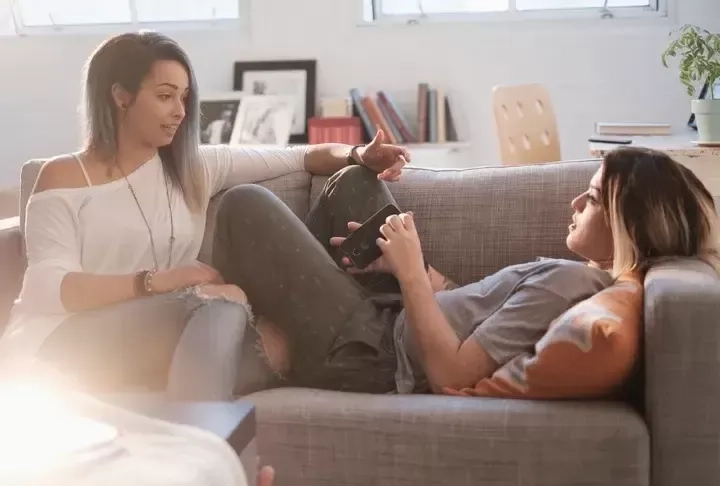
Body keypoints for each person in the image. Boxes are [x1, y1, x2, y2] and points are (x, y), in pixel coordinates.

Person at [0, 31, 409, 398]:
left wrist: (358, 153)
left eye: (183, 97)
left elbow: (301, 156)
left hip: (182, 326)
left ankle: (386, 343)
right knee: (222, 306)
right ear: (120, 95)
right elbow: (46, 289)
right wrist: (158, 282)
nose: (180, 111)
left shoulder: (193, 167)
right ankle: (390, 355)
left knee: (350, 183)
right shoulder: (63, 175)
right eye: (165, 96)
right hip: (67, 338)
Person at [212, 146, 720, 395]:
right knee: (354, 181)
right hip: (389, 317)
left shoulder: (570, 285)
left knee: (245, 204)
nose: (573, 203)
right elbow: (472, 312)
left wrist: (411, 274)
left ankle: (256, 328)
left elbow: (451, 374)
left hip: (373, 353)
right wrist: (417, 270)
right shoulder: (580, 279)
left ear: (625, 224)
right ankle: (283, 324)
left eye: (589, 200)